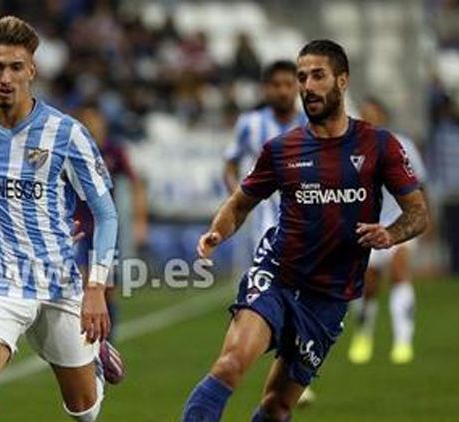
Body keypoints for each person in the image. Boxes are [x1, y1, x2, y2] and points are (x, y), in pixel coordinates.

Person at [180, 39, 430, 422]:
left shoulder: (379, 145)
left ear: (342, 81)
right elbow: (240, 203)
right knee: (231, 363)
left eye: (317, 76)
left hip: (329, 296)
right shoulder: (282, 149)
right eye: (302, 77)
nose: (307, 86)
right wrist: (218, 231)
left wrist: (391, 234)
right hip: (278, 276)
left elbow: (418, 212)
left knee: (277, 407)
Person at [0, 16, 124, 422]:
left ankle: (95, 364)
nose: (6, 78)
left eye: (16, 67)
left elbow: (105, 213)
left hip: (58, 278)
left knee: (84, 411)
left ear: (32, 70)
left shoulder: (67, 133)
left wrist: (96, 287)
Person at [222, 59, 313, 405]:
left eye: (289, 84)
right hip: (263, 226)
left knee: (301, 299)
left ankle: (287, 372)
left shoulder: (310, 123)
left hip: (306, 226)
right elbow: (230, 163)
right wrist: (238, 198)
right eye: (277, 85)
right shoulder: (250, 124)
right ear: (266, 89)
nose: (283, 91)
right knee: (264, 296)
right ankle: (251, 359)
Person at [347, 98, 429, 365]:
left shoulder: (403, 145)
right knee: (368, 284)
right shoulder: (350, 149)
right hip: (367, 226)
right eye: (364, 115)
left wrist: (424, 216)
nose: (368, 119)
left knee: (399, 272)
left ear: (383, 117)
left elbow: (420, 184)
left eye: (372, 114)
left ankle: (403, 342)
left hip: (400, 222)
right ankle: (363, 334)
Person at [72, 105, 148, 341]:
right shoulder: (73, 151)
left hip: (106, 228)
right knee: (85, 285)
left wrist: (140, 220)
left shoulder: (114, 150)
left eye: (93, 119)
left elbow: (136, 183)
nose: (90, 125)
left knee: (107, 288)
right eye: (85, 120)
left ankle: (107, 341)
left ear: (102, 121)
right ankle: (86, 340)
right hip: (80, 228)